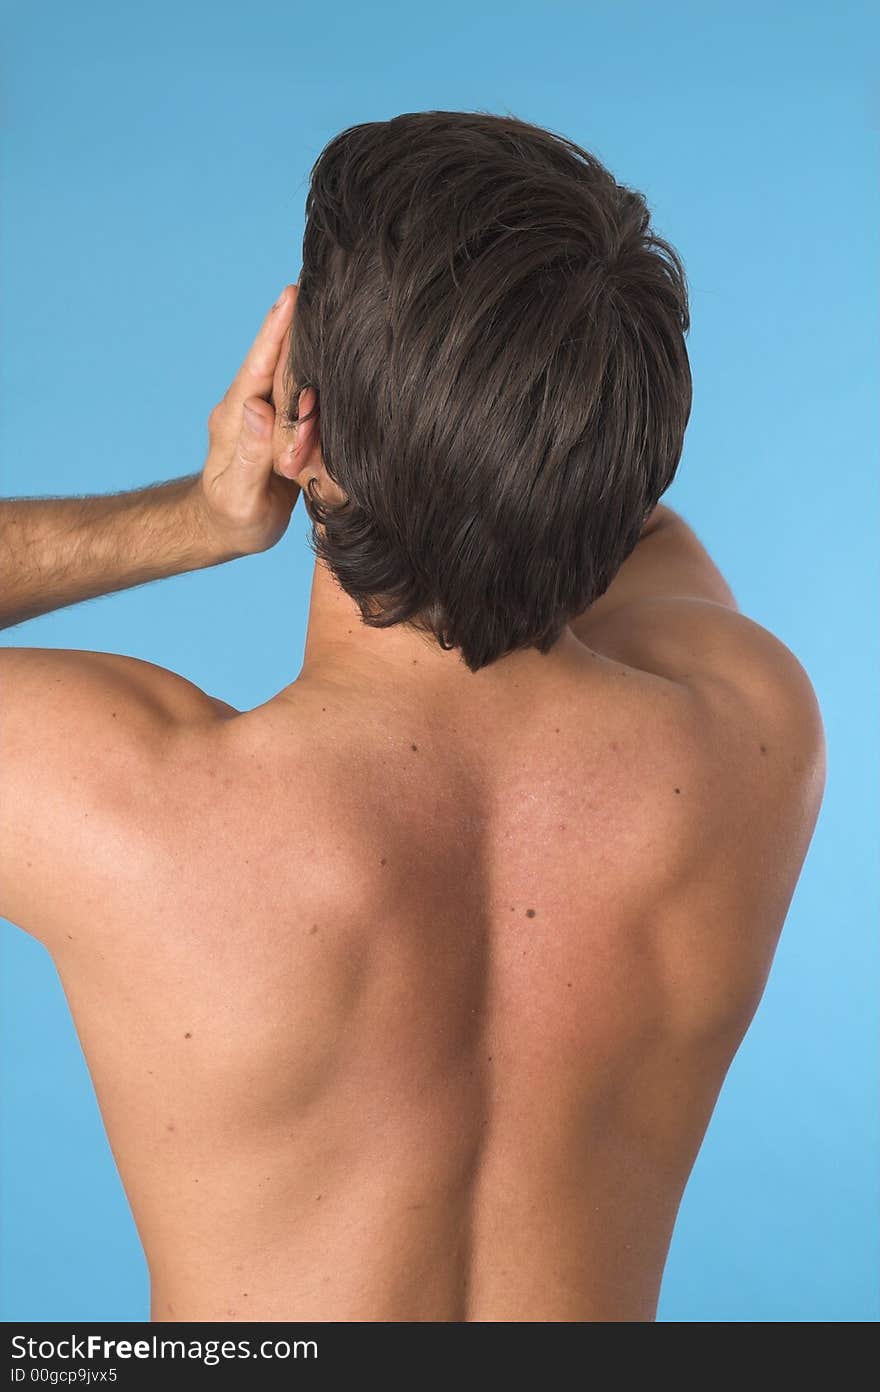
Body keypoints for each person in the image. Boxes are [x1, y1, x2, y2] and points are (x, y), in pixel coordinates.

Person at [0, 110, 826, 1323]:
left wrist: (196, 514)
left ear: (298, 417)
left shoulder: (128, 810)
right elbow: (625, 521)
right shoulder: (753, 732)